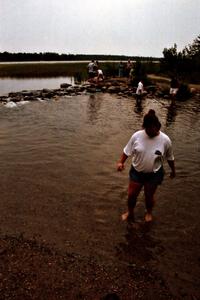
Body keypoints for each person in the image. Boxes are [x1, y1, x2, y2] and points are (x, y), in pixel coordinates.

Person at [117, 109, 176, 223]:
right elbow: (127, 151)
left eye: (152, 129)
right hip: (137, 171)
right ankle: (130, 212)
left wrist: (173, 171)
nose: (149, 132)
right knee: (131, 195)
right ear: (144, 127)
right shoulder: (137, 136)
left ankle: (148, 212)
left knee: (149, 196)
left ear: (157, 126)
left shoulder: (165, 140)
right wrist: (121, 162)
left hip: (154, 174)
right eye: (147, 129)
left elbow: (170, 157)